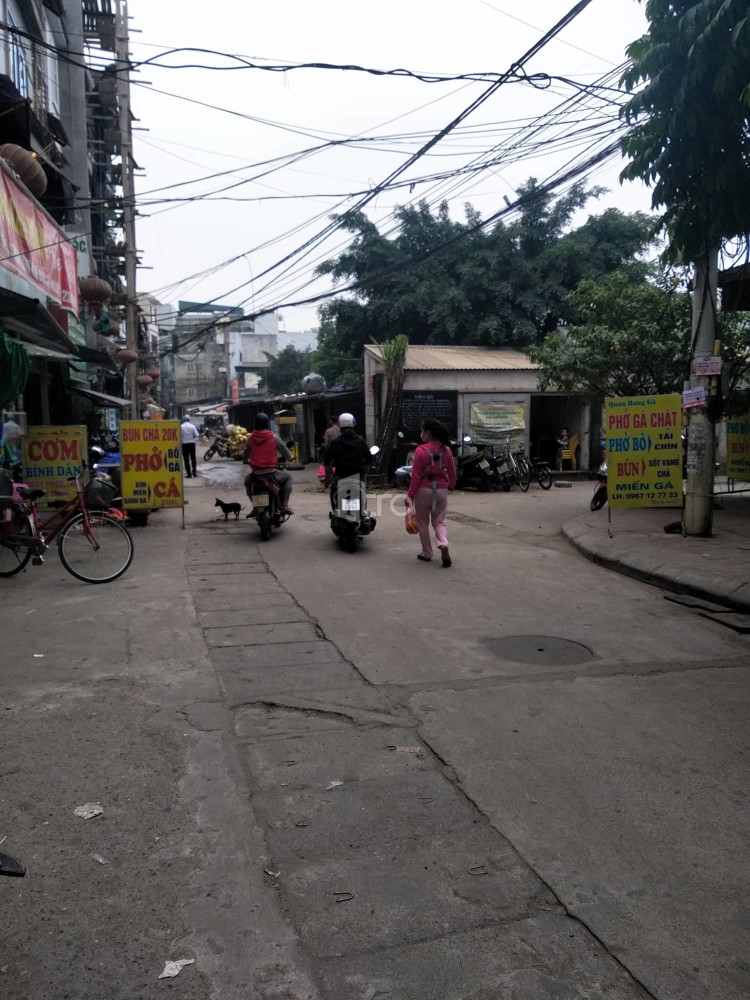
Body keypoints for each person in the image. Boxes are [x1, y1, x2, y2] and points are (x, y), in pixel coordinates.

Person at [406, 418, 457, 567]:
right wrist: (451, 485)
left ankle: (427, 553)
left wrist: (410, 495)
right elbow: (452, 471)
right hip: (441, 489)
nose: (421, 433)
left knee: (422, 523)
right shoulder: (446, 450)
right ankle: (443, 544)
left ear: (428, 432)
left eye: (423, 431)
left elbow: (415, 476)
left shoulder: (420, 451)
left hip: (423, 490)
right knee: (439, 521)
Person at [243, 412, 294, 513]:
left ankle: (255, 507)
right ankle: (284, 505)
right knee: (288, 478)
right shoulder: (274, 437)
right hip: (272, 473)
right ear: (267, 423)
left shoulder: (251, 438)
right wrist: (290, 457)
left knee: (247, 483)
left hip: (256, 474)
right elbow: (284, 449)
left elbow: (246, 452)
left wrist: (245, 460)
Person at [324, 413, 370, 508]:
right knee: (363, 492)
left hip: (340, 476)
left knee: (333, 490)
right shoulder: (361, 440)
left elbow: (327, 459)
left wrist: (328, 467)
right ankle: (363, 511)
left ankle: (335, 511)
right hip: (358, 476)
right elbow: (369, 458)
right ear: (353, 424)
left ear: (340, 425)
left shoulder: (335, 442)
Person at [322, 416, 340, 487]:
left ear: (331, 421)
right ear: (338, 421)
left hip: (331, 452)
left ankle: (327, 483)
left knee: (328, 468)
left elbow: (326, 444)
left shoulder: (328, 431)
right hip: (340, 452)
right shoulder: (341, 430)